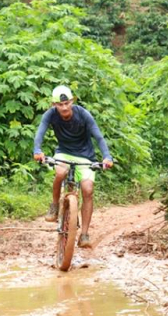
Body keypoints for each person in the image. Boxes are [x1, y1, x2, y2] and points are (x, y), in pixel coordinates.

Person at [33, 85, 113, 248]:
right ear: (53, 104)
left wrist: (107, 156)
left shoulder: (83, 114)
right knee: (61, 172)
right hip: (64, 153)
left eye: (66, 103)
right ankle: (54, 205)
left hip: (86, 156)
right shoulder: (50, 115)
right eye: (59, 105)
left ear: (72, 101)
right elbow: (40, 132)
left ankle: (84, 234)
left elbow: (98, 136)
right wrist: (37, 150)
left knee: (88, 190)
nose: (64, 108)